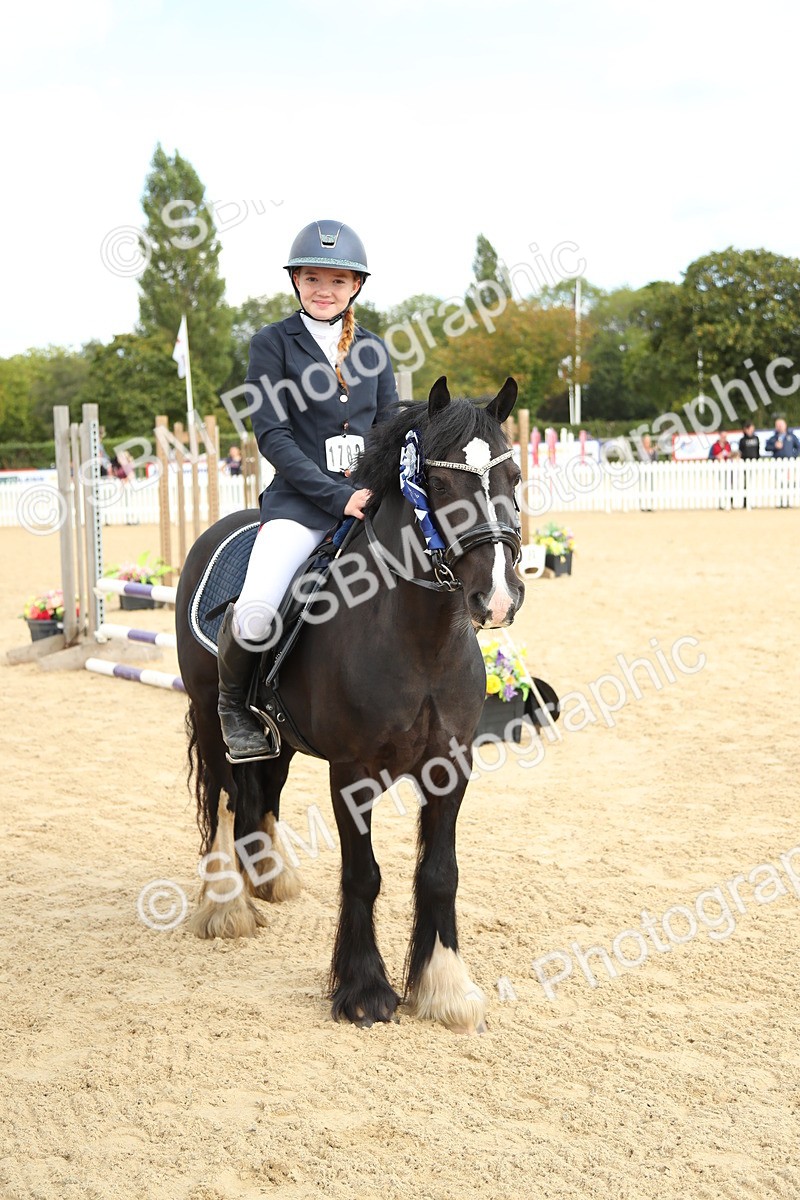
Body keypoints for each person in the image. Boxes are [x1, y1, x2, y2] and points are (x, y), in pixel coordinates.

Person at [217, 220, 398, 760]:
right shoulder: (271, 343)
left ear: (355, 287)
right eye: (314, 278)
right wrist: (334, 495)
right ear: (296, 281)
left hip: (368, 505)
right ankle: (233, 708)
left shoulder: (373, 349)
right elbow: (272, 435)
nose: (325, 289)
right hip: (300, 507)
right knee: (256, 610)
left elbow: (388, 429)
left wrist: (375, 490)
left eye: (338, 280)